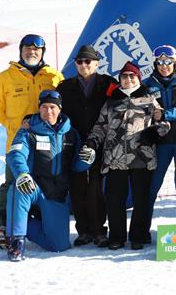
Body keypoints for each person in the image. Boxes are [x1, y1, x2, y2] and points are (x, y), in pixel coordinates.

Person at [84, 61, 170, 250]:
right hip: (115, 158)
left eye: (132, 76)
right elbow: (100, 126)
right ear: (120, 80)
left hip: (142, 157)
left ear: (138, 78)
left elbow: (163, 123)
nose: (128, 79)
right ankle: (117, 236)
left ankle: (138, 236)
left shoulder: (149, 99)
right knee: (115, 199)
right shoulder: (111, 101)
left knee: (141, 199)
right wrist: (92, 142)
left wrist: (155, 132)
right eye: (124, 76)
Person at [0, 33, 64, 247]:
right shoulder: (5, 77)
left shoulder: (54, 76)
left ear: (42, 52)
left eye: (37, 49)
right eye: (27, 49)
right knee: (13, 182)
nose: (32, 52)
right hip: (18, 142)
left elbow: (60, 106)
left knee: (45, 183)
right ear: (21, 51)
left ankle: (38, 223)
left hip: (49, 145)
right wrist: (15, 126)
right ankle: (5, 226)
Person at [5, 90, 92, 261]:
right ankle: (17, 240)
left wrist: (87, 161)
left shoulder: (71, 134)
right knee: (19, 188)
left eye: (52, 107)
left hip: (56, 193)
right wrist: (22, 174)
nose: (48, 111)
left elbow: (76, 165)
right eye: (44, 107)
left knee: (59, 246)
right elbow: (16, 154)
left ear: (60, 109)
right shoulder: (28, 130)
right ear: (39, 108)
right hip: (33, 186)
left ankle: (24, 225)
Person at [56, 45, 116, 247]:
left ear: (97, 63)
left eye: (88, 61)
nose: (84, 65)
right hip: (74, 145)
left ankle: (99, 231)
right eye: (80, 62)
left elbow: (123, 104)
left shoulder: (108, 84)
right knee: (77, 188)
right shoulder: (64, 87)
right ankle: (83, 231)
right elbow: (54, 111)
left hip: (101, 144)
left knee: (96, 189)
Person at [143, 45, 176, 226]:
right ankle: (142, 230)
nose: (164, 66)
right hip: (159, 142)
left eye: (168, 62)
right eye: (160, 62)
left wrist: (166, 114)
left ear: (175, 63)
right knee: (151, 187)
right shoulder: (148, 84)